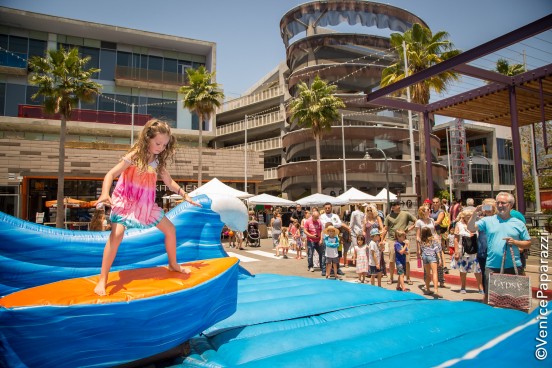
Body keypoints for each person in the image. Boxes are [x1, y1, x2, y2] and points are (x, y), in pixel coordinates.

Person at [94, 119, 201, 296]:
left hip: (145, 204)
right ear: (147, 138)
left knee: (170, 229)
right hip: (125, 201)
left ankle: (173, 264)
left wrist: (185, 194)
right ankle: (103, 279)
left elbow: (169, 182)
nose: (161, 147)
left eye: (164, 145)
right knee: (117, 235)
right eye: (158, 143)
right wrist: (105, 193)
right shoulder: (135, 155)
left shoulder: (158, 162)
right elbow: (111, 173)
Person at [467, 192, 531, 299]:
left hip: (513, 266)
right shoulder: (487, 220)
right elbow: (471, 228)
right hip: (492, 266)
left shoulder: (518, 223)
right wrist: (475, 213)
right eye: (498, 203)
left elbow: (528, 243)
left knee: (515, 299)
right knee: (491, 298)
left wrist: (516, 242)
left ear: (510, 205)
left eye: (503, 203)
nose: (500, 205)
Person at [382, 201, 416, 285]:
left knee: (407, 260)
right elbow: (385, 229)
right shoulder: (388, 216)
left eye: (394, 205)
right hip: (392, 239)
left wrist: (409, 228)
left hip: (404, 239)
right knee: (392, 259)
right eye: (391, 205)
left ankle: (408, 278)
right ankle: (391, 278)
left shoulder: (405, 214)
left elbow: (416, 221)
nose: (392, 207)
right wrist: (382, 240)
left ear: (398, 206)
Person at [452, 210, 483, 294]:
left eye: (470, 216)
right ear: (463, 216)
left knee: (477, 269)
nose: (469, 217)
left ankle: (480, 287)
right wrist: (456, 251)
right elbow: (456, 239)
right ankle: (463, 287)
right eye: (467, 216)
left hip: (475, 249)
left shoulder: (477, 224)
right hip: (463, 249)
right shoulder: (459, 224)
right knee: (463, 270)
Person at [320, 202, 344, 276]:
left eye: (329, 208)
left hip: (335, 237)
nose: (327, 209)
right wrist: (332, 224)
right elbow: (325, 225)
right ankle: (324, 270)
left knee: (336, 254)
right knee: (325, 254)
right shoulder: (322, 216)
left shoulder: (335, 215)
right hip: (326, 237)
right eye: (326, 208)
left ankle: (337, 269)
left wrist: (330, 224)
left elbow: (339, 224)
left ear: (331, 207)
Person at [419, 227, 442, 297]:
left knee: (428, 274)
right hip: (431, 256)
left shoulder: (421, 240)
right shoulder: (433, 239)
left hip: (425, 256)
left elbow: (421, 250)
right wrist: (440, 258)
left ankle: (428, 289)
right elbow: (436, 249)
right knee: (435, 273)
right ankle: (436, 290)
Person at [304, 208, 324, 274]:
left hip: (318, 240)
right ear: (312, 216)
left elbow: (321, 230)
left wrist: (321, 239)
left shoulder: (319, 221)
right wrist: (310, 235)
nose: (316, 219)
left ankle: (322, 266)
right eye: (315, 218)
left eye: (317, 217)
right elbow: (305, 230)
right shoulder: (308, 221)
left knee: (321, 253)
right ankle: (310, 266)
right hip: (311, 240)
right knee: (310, 254)